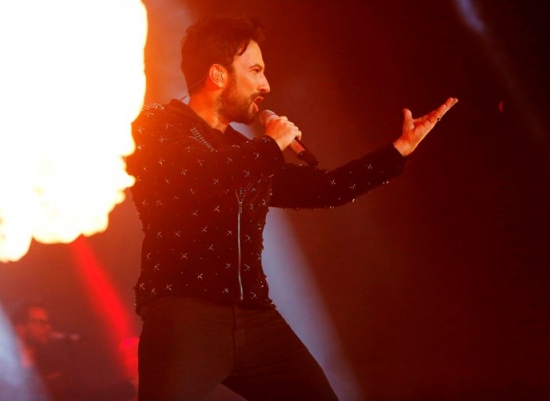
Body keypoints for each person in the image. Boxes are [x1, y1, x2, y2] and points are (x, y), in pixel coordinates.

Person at [125, 15, 458, 400]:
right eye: (255, 71)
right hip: (185, 316)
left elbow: (325, 189)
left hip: (254, 317)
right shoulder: (158, 126)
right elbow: (202, 176)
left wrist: (398, 151)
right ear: (218, 75)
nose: (265, 85)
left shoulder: (242, 149)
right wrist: (269, 145)